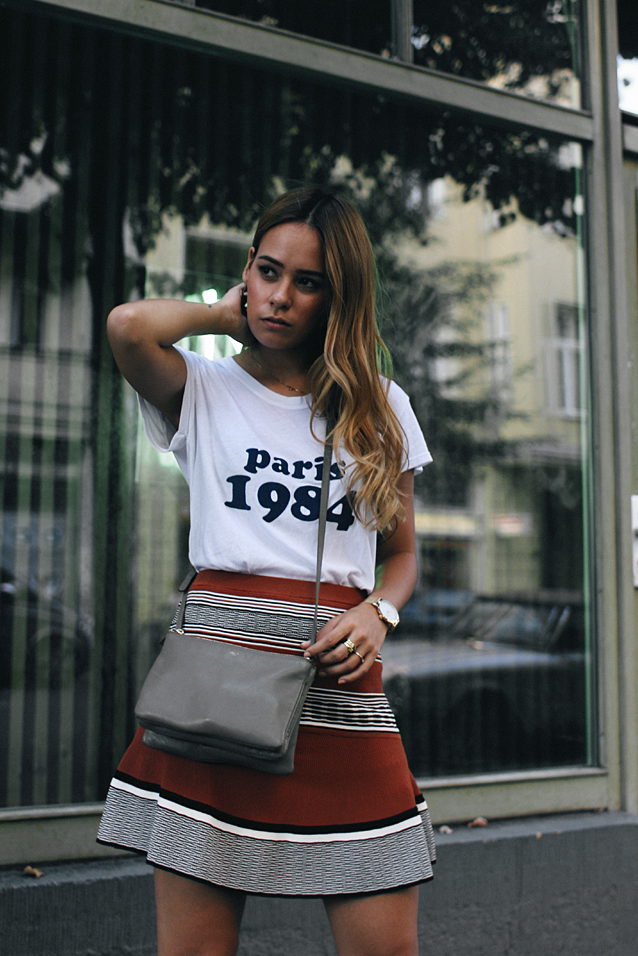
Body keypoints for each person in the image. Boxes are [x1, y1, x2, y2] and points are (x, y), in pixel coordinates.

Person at [97, 187, 435, 956]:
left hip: (337, 684)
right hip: (214, 682)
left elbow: (406, 555)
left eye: (307, 281)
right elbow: (127, 325)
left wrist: (378, 613)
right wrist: (225, 317)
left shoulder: (381, 407)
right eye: (268, 271)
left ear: (338, 297)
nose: (281, 296)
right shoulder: (205, 386)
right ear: (246, 270)